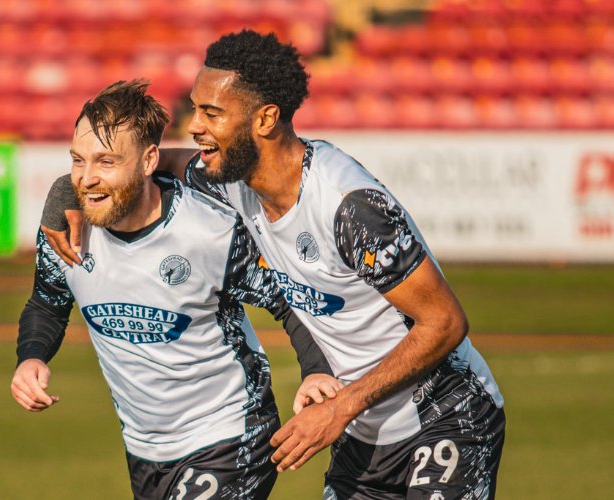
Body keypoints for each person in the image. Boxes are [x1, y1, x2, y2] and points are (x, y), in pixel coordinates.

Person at [43, 31, 505, 499]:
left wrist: (340, 407)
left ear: (265, 119)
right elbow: (144, 166)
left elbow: (445, 322)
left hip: (448, 416)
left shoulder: (348, 207)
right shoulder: (233, 179)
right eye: (195, 108)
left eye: (212, 113)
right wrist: (64, 191)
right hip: (363, 434)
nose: (195, 126)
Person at [11, 80, 334, 500]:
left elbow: (291, 300)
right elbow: (47, 302)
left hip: (231, 434)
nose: (86, 179)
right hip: (145, 450)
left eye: (106, 162)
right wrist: (31, 356)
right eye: (77, 160)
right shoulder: (66, 230)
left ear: (149, 160)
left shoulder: (210, 232)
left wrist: (317, 371)